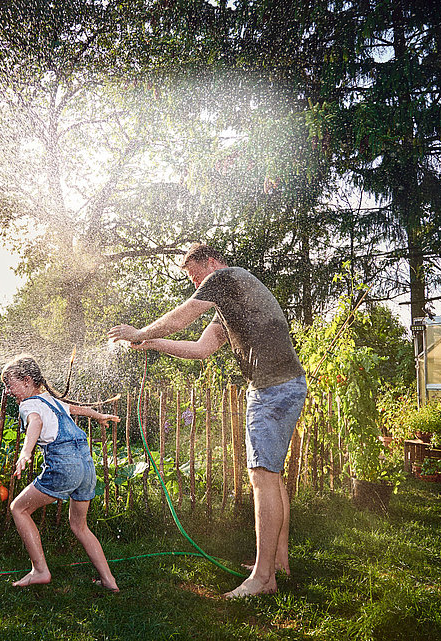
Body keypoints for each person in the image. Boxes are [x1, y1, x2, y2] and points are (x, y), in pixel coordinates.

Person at [107, 243, 307, 598]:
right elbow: (200, 350)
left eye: (192, 272)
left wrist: (139, 333)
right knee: (271, 476)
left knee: (262, 476)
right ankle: (277, 563)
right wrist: (152, 344)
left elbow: (182, 316)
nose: (193, 281)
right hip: (281, 385)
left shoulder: (225, 277)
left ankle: (263, 580)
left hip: (272, 388)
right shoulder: (231, 300)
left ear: (210, 262)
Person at [2, 354, 121, 592]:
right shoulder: (50, 400)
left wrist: (26, 453)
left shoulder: (29, 405)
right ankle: (109, 581)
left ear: (26, 381)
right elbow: (75, 409)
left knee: (19, 508)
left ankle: (40, 570)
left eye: (9, 384)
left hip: (65, 466)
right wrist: (98, 415)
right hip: (86, 465)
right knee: (79, 525)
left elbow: (35, 423)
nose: (7, 391)